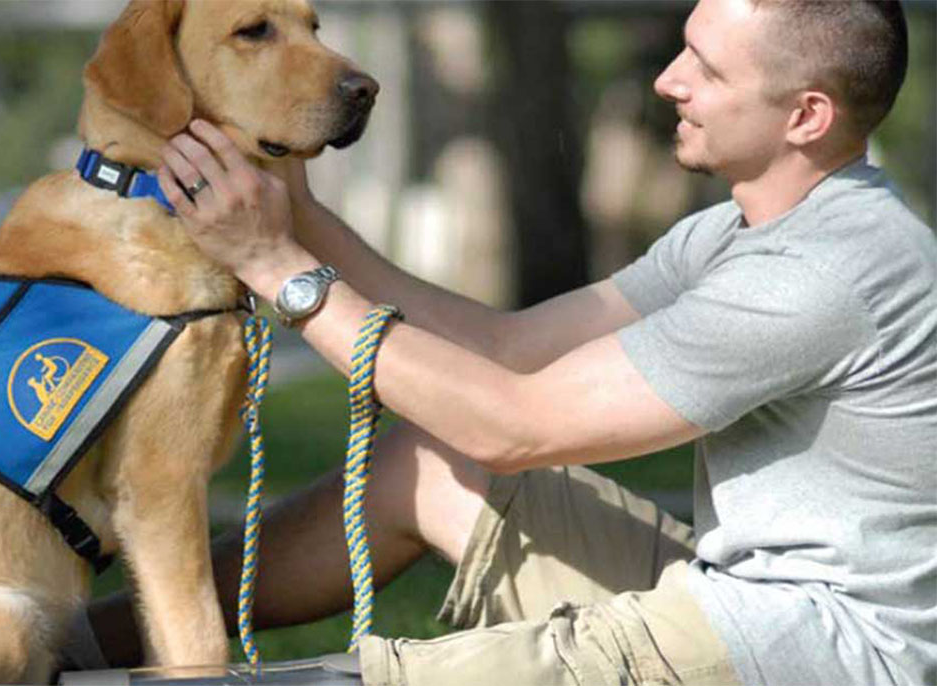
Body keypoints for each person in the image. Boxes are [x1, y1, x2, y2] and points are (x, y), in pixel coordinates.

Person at [84, 0, 936, 684]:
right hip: (738, 597)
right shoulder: (733, 232)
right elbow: (506, 346)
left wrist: (281, 272)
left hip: (818, 655)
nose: (669, 80)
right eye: (683, 50)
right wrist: (297, 218)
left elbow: (517, 425)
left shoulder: (824, 270)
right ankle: (85, 641)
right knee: (434, 461)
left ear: (807, 115)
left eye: (707, 71)